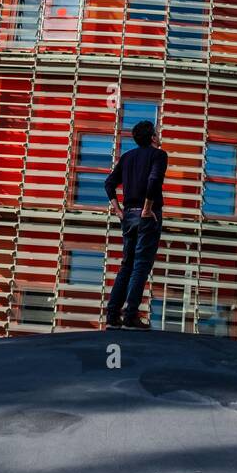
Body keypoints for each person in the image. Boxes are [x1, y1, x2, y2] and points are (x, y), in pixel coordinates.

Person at [103, 119, 167, 330]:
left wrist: (118, 210)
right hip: (147, 216)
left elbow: (109, 183)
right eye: (157, 133)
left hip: (128, 215)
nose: (159, 137)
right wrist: (148, 209)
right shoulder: (159, 155)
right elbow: (154, 181)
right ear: (152, 138)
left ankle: (113, 314)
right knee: (141, 265)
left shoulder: (127, 157)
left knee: (127, 264)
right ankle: (131, 315)